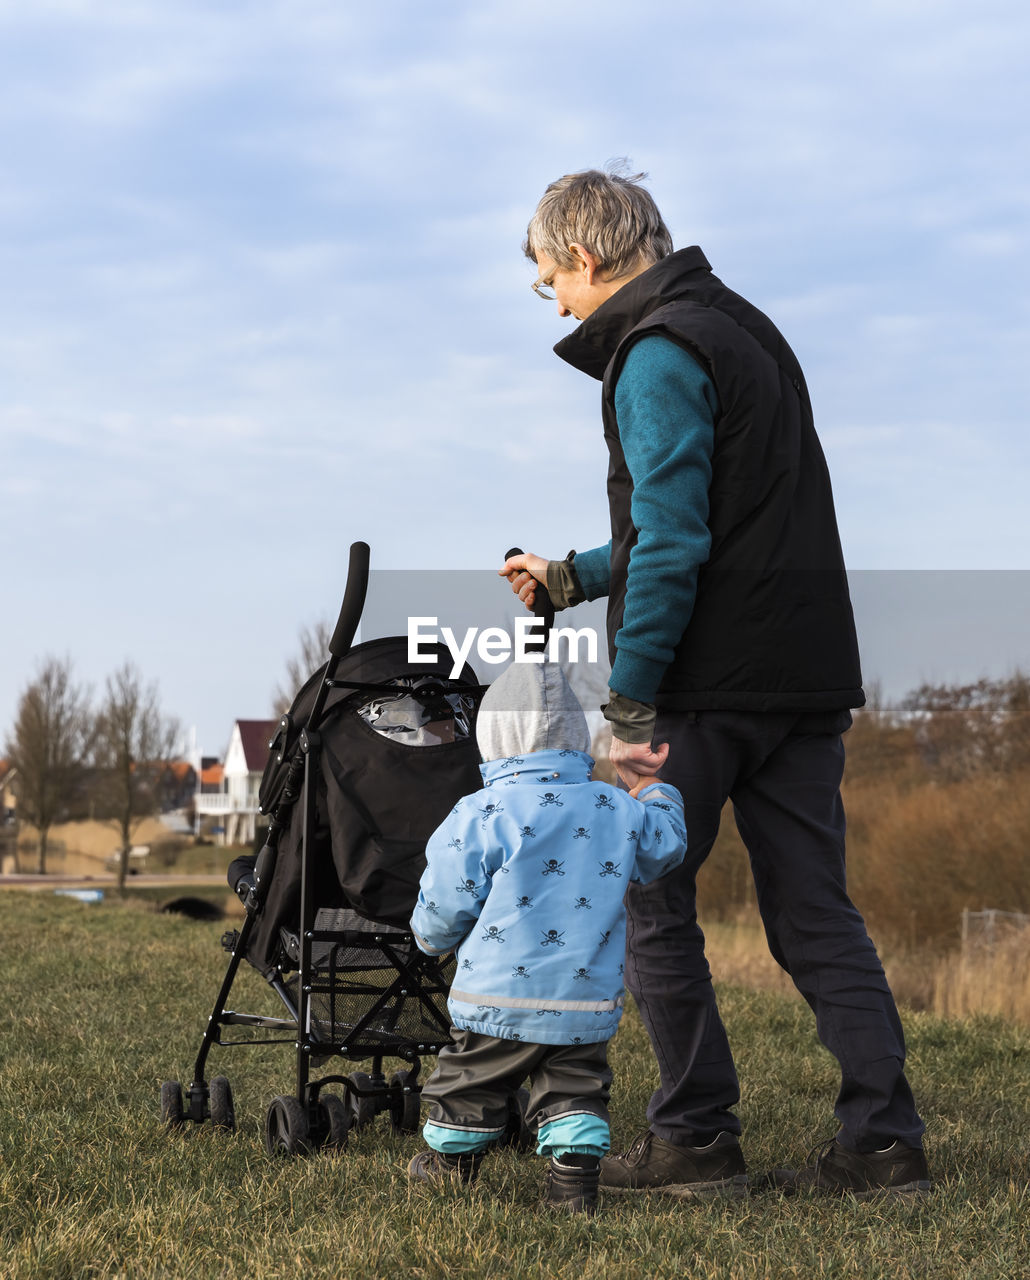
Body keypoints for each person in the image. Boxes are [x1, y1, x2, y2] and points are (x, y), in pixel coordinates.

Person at [502, 165, 931, 1199]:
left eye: (547, 280)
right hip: (802, 674)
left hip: (704, 684)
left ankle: (693, 1136)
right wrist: (571, 575)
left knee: (647, 897)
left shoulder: (653, 354)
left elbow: (677, 543)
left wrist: (633, 700)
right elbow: (704, 523)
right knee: (814, 912)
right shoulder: (742, 329)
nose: (551, 303)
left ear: (586, 258)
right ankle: (883, 1142)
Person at [407, 659, 688, 1214]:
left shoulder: (481, 811)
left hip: (495, 997)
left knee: (468, 1081)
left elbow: (445, 895)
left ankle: (450, 1166)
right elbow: (666, 847)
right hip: (582, 1001)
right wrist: (653, 788)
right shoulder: (614, 805)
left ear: (492, 737)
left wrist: (429, 937)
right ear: (576, 736)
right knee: (575, 1085)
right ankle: (570, 1182)